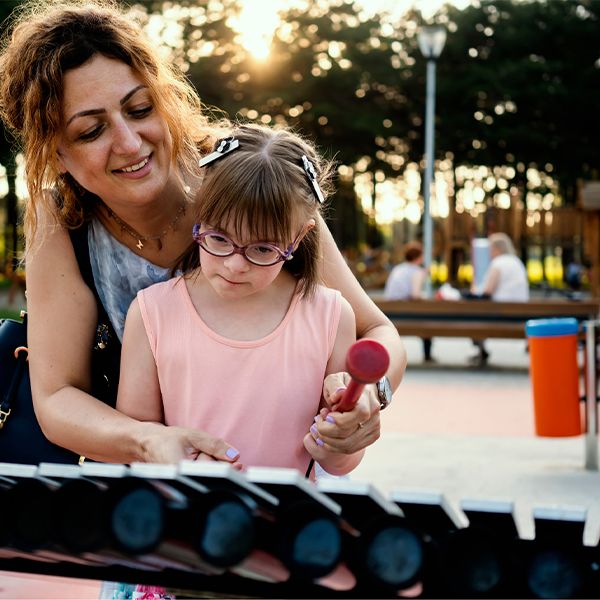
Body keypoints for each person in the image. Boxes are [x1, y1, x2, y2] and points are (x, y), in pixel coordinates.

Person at [0, 0, 406, 466]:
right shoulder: (58, 220)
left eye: (139, 108)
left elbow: (375, 330)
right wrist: (149, 442)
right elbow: (56, 400)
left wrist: (368, 397)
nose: (130, 143)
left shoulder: (241, 178)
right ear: (53, 154)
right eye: (91, 131)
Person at [117, 124, 362, 478]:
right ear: (199, 212)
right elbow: (135, 445)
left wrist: (339, 436)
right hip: (183, 520)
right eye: (218, 238)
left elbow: (338, 464)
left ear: (300, 235)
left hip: (288, 523)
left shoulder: (331, 315)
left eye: (262, 249)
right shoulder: (152, 312)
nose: (235, 265)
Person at [469, 232, 529, 364]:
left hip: (501, 313)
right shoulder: (516, 261)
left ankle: (481, 350)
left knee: (473, 317)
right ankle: (481, 351)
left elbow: (487, 291)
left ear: (497, 248)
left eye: (490, 248)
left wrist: (474, 286)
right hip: (521, 314)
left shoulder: (498, 263)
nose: (489, 252)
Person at [383, 241, 433, 362]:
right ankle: (427, 355)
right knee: (428, 321)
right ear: (419, 257)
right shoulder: (417, 271)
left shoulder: (397, 269)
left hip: (391, 315)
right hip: (407, 316)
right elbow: (415, 295)